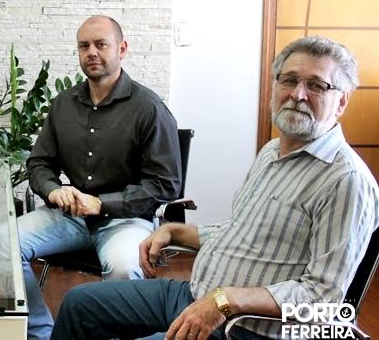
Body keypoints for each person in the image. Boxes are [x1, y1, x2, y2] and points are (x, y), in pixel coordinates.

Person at [51, 36, 379, 340]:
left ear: (341, 101)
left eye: (317, 85)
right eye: (289, 80)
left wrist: (227, 301)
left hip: (245, 327)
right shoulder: (271, 152)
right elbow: (242, 232)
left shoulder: (345, 180)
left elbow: (323, 301)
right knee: (79, 303)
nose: (298, 94)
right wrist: (176, 232)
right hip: (199, 295)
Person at [20, 15, 182, 340]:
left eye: (100, 44)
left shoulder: (149, 108)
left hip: (127, 220)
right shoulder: (62, 105)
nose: (91, 52)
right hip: (70, 216)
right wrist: (53, 191)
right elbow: (39, 163)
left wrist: (101, 203)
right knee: (2, 245)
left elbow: (165, 184)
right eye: (84, 46)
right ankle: (41, 334)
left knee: (124, 267)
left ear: (122, 49)